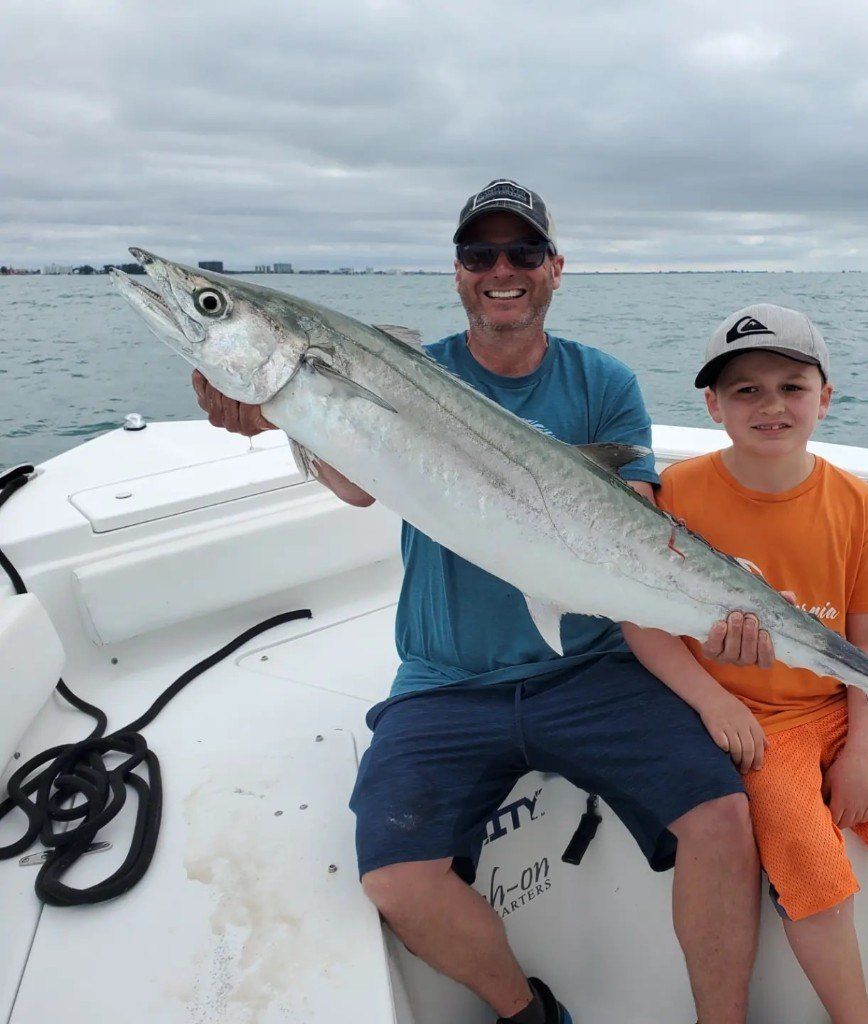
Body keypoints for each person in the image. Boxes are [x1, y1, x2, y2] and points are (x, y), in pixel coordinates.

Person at [192, 180, 770, 1024]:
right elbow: (357, 485)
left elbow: (637, 530)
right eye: (480, 254)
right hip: (447, 676)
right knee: (396, 878)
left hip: (591, 668)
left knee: (722, 817)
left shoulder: (601, 380)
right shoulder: (405, 373)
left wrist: (722, 615)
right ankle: (526, 1014)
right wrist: (289, 417)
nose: (502, 269)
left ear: (554, 268)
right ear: (458, 272)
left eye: (522, 252)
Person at [623, 303, 868, 1024]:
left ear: (825, 398)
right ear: (712, 405)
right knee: (814, 872)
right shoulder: (676, 497)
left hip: (843, 705)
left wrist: (864, 746)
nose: (771, 405)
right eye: (746, 390)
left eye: (792, 386)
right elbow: (641, 620)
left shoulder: (855, 504)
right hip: (755, 727)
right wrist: (714, 702)